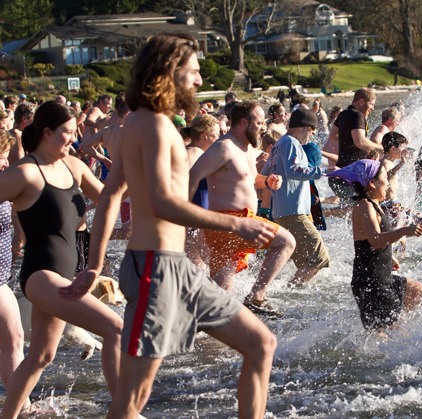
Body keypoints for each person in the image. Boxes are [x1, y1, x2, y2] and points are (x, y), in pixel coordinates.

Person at [61, 34, 278, 418]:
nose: (198, 80)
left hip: (174, 268)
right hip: (155, 271)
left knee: (261, 343)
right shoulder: (155, 126)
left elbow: (111, 196)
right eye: (193, 71)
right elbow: (162, 203)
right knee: (131, 400)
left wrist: (95, 264)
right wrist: (235, 225)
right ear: (170, 72)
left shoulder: (142, 124)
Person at [0, 102, 122, 418]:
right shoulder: (25, 173)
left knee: (41, 355)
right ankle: (124, 411)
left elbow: (110, 198)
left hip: (68, 274)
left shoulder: (74, 166)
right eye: (68, 133)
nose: (74, 139)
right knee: (115, 329)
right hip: (41, 276)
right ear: (47, 132)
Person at [189, 100, 296, 317]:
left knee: (221, 290)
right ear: (244, 122)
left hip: (233, 225)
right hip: (231, 222)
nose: (263, 126)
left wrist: (267, 181)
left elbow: (248, 180)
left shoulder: (246, 149)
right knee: (286, 242)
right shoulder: (224, 147)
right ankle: (257, 297)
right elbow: (192, 175)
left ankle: (192, 323)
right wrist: (186, 217)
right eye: (259, 122)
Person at [328, 159, 422, 331]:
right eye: (384, 178)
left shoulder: (374, 205)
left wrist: (389, 255)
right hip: (371, 281)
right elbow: (375, 239)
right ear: (372, 183)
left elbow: (371, 241)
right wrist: (405, 231)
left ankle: (392, 325)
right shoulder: (364, 206)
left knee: (420, 292)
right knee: (391, 335)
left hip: (382, 276)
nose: (388, 182)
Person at [261, 108, 331, 287]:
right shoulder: (292, 142)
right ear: (304, 128)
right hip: (293, 212)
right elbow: (294, 170)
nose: (311, 136)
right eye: (312, 131)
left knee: (305, 262)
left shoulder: (278, 145)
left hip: (282, 212)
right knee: (319, 257)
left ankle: (292, 290)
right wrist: (322, 172)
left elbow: (264, 173)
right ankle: (289, 290)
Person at [0, 129, 29, 413]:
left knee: (15, 338)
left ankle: (22, 406)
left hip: (1, 279)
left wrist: (19, 234)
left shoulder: (4, 185)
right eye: (1, 158)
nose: (6, 163)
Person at [324, 88, 380, 206]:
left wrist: (349, 139)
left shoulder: (344, 114)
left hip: (339, 174)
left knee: (350, 211)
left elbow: (333, 135)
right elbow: (360, 142)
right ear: (361, 101)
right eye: (371, 104)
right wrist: (378, 147)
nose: (372, 108)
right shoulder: (357, 115)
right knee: (360, 208)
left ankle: (325, 213)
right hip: (351, 176)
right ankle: (324, 213)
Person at [379, 132, 422, 256]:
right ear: (393, 148)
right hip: (389, 207)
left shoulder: (391, 162)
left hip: (397, 206)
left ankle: (395, 239)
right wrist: (401, 164)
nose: (404, 151)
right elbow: (384, 178)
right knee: (398, 243)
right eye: (402, 148)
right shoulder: (384, 163)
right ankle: (391, 260)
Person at [183, 114, 221, 270]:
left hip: (189, 219)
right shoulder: (198, 155)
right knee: (207, 268)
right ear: (205, 135)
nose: (218, 139)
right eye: (216, 135)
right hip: (195, 220)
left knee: (196, 268)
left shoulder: (185, 151)